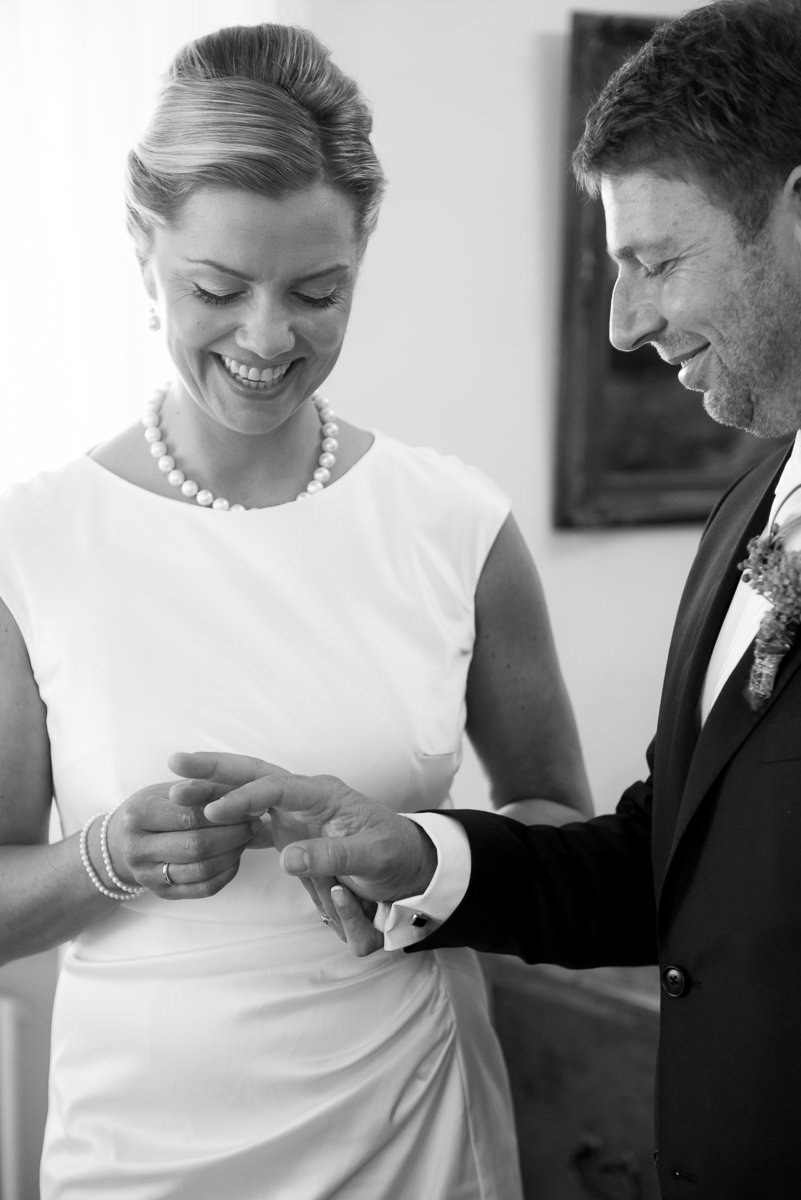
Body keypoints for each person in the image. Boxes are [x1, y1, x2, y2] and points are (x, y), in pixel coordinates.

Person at [170, 2, 801, 1197]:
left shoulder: (451, 519)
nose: (623, 323)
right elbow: (661, 867)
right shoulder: (750, 514)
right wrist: (420, 852)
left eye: (657, 262)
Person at [0, 20, 594, 1200]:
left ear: (362, 250)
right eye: (216, 289)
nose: (269, 340)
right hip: (142, 1154)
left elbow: (565, 836)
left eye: (318, 293)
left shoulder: (456, 523)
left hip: (413, 1128)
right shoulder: (34, 545)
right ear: (141, 245)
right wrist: (106, 858)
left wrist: (419, 855)